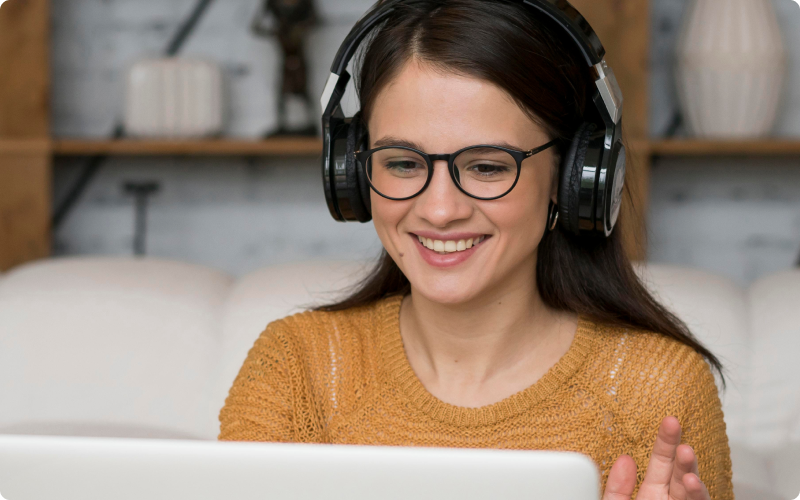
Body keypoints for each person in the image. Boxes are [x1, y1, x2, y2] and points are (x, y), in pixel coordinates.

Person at [219, 0, 733, 498]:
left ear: (572, 177)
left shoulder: (660, 390)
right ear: (353, 173)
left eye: (487, 166)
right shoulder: (297, 369)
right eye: (402, 163)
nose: (440, 210)